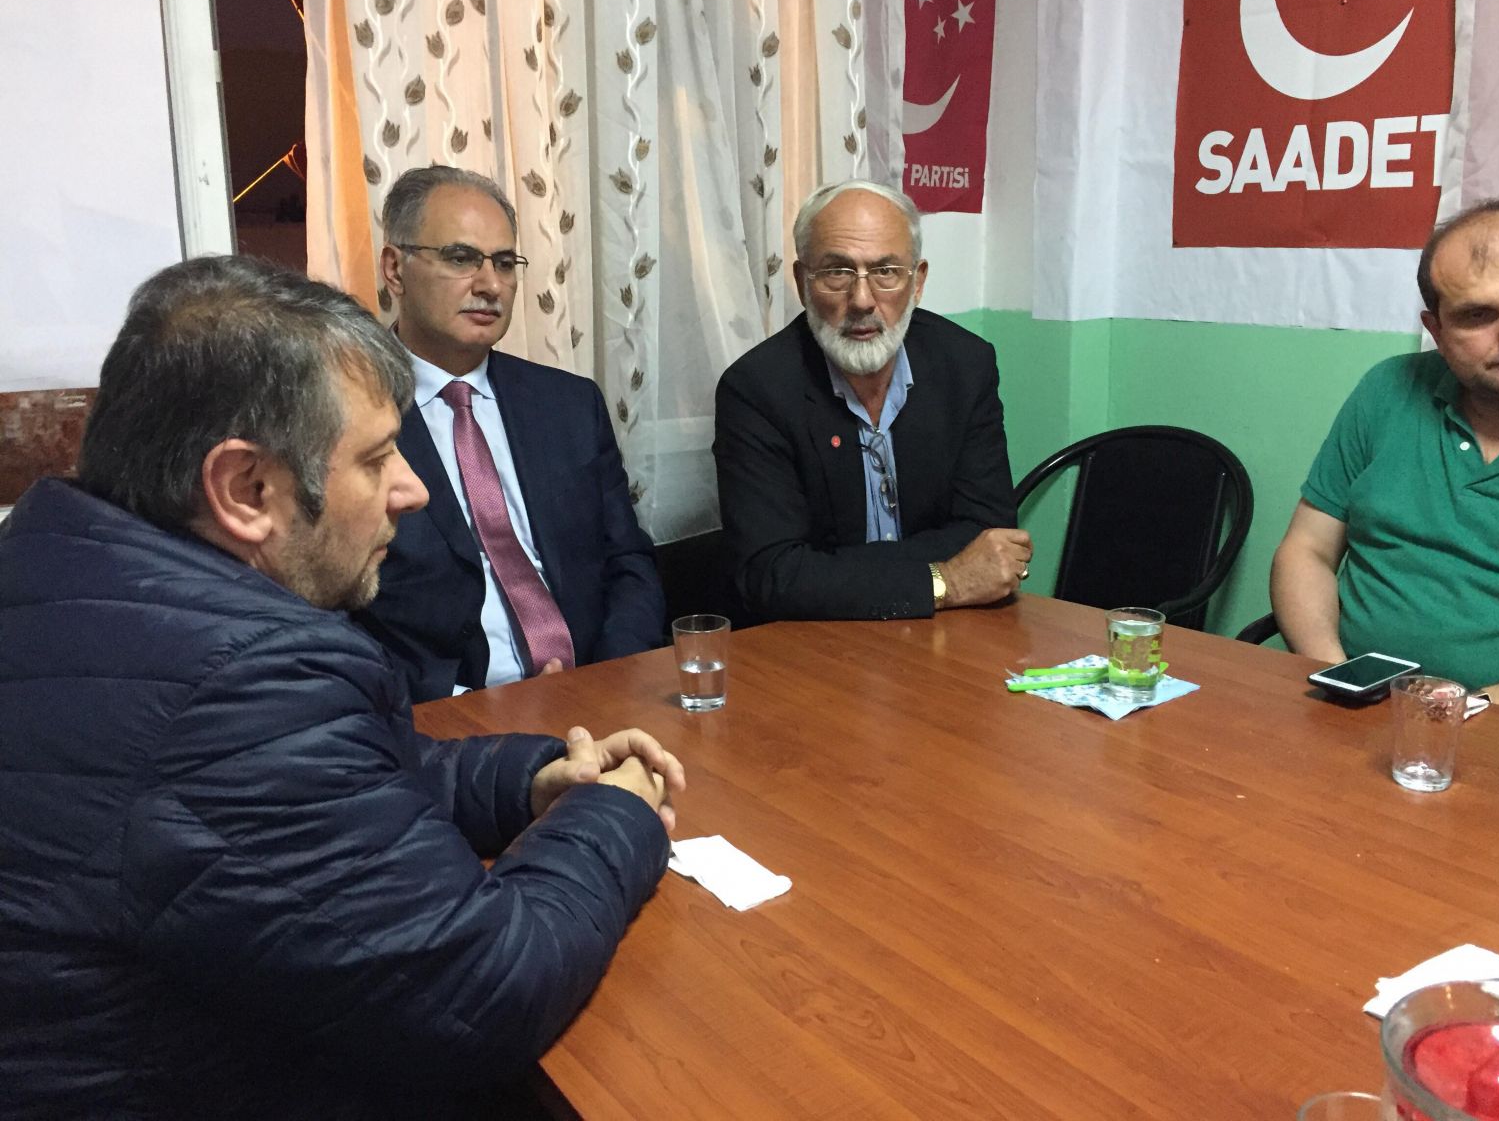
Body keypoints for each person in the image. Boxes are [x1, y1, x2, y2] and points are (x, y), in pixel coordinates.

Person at [0, 256, 685, 1119]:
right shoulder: (240, 684)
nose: (413, 490)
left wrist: (531, 780)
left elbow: (330, 784)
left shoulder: (66, 566)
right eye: (378, 457)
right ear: (247, 488)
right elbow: (483, 989)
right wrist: (616, 814)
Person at [1271, 198, 1499, 721]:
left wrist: (1463, 713)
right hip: (1356, 711)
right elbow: (1306, 550)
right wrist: (1338, 675)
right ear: (1437, 328)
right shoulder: (1387, 389)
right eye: (1477, 315)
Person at [354, 165, 664, 703]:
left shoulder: (568, 405)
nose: (489, 285)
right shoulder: (347, 419)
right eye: (460, 258)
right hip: (447, 713)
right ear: (395, 269)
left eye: (503, 263)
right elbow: (329, 610)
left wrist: (610, 678)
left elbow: (628, 563)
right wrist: (461, 705)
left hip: (600, 693)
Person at [714, 180, 1030, 621]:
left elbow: (990, 536)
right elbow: (773, 574)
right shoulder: (757, 389)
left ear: (917, 282)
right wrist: (945, 580)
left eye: (886, 272)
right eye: (837, 272)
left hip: (946, 632)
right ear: (803, 282)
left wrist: (836, 572)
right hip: (815, 644)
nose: (862, 300)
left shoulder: (964, 365)